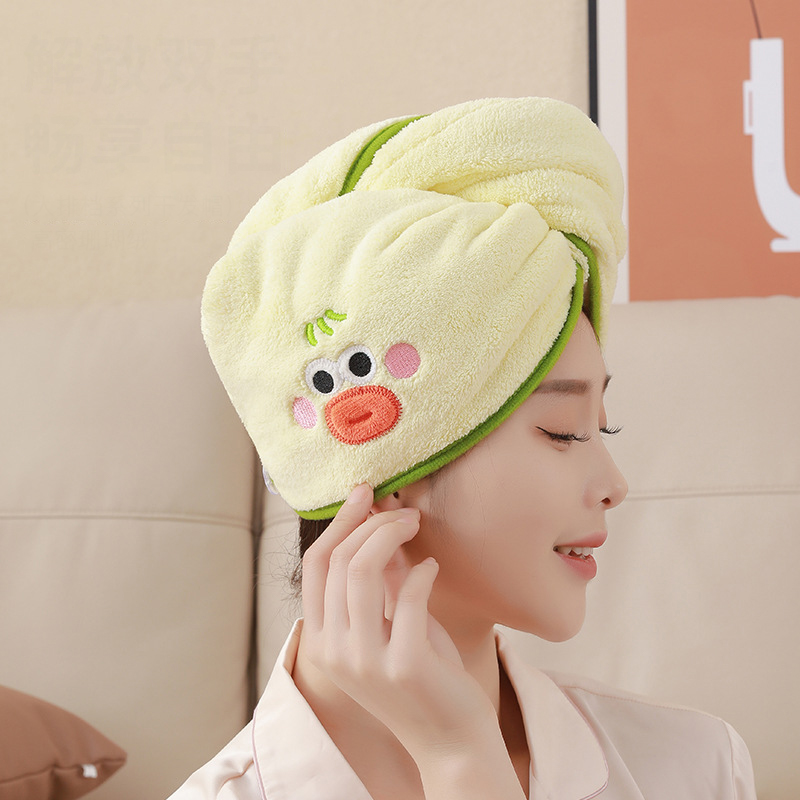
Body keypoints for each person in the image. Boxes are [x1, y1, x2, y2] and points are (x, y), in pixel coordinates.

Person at [170, 98, 757, 799]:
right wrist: (455, 757)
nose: (614, 485)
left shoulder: (695, 767)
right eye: (564, 431)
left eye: (601, 428)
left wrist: (466, 757)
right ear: (386, 470)